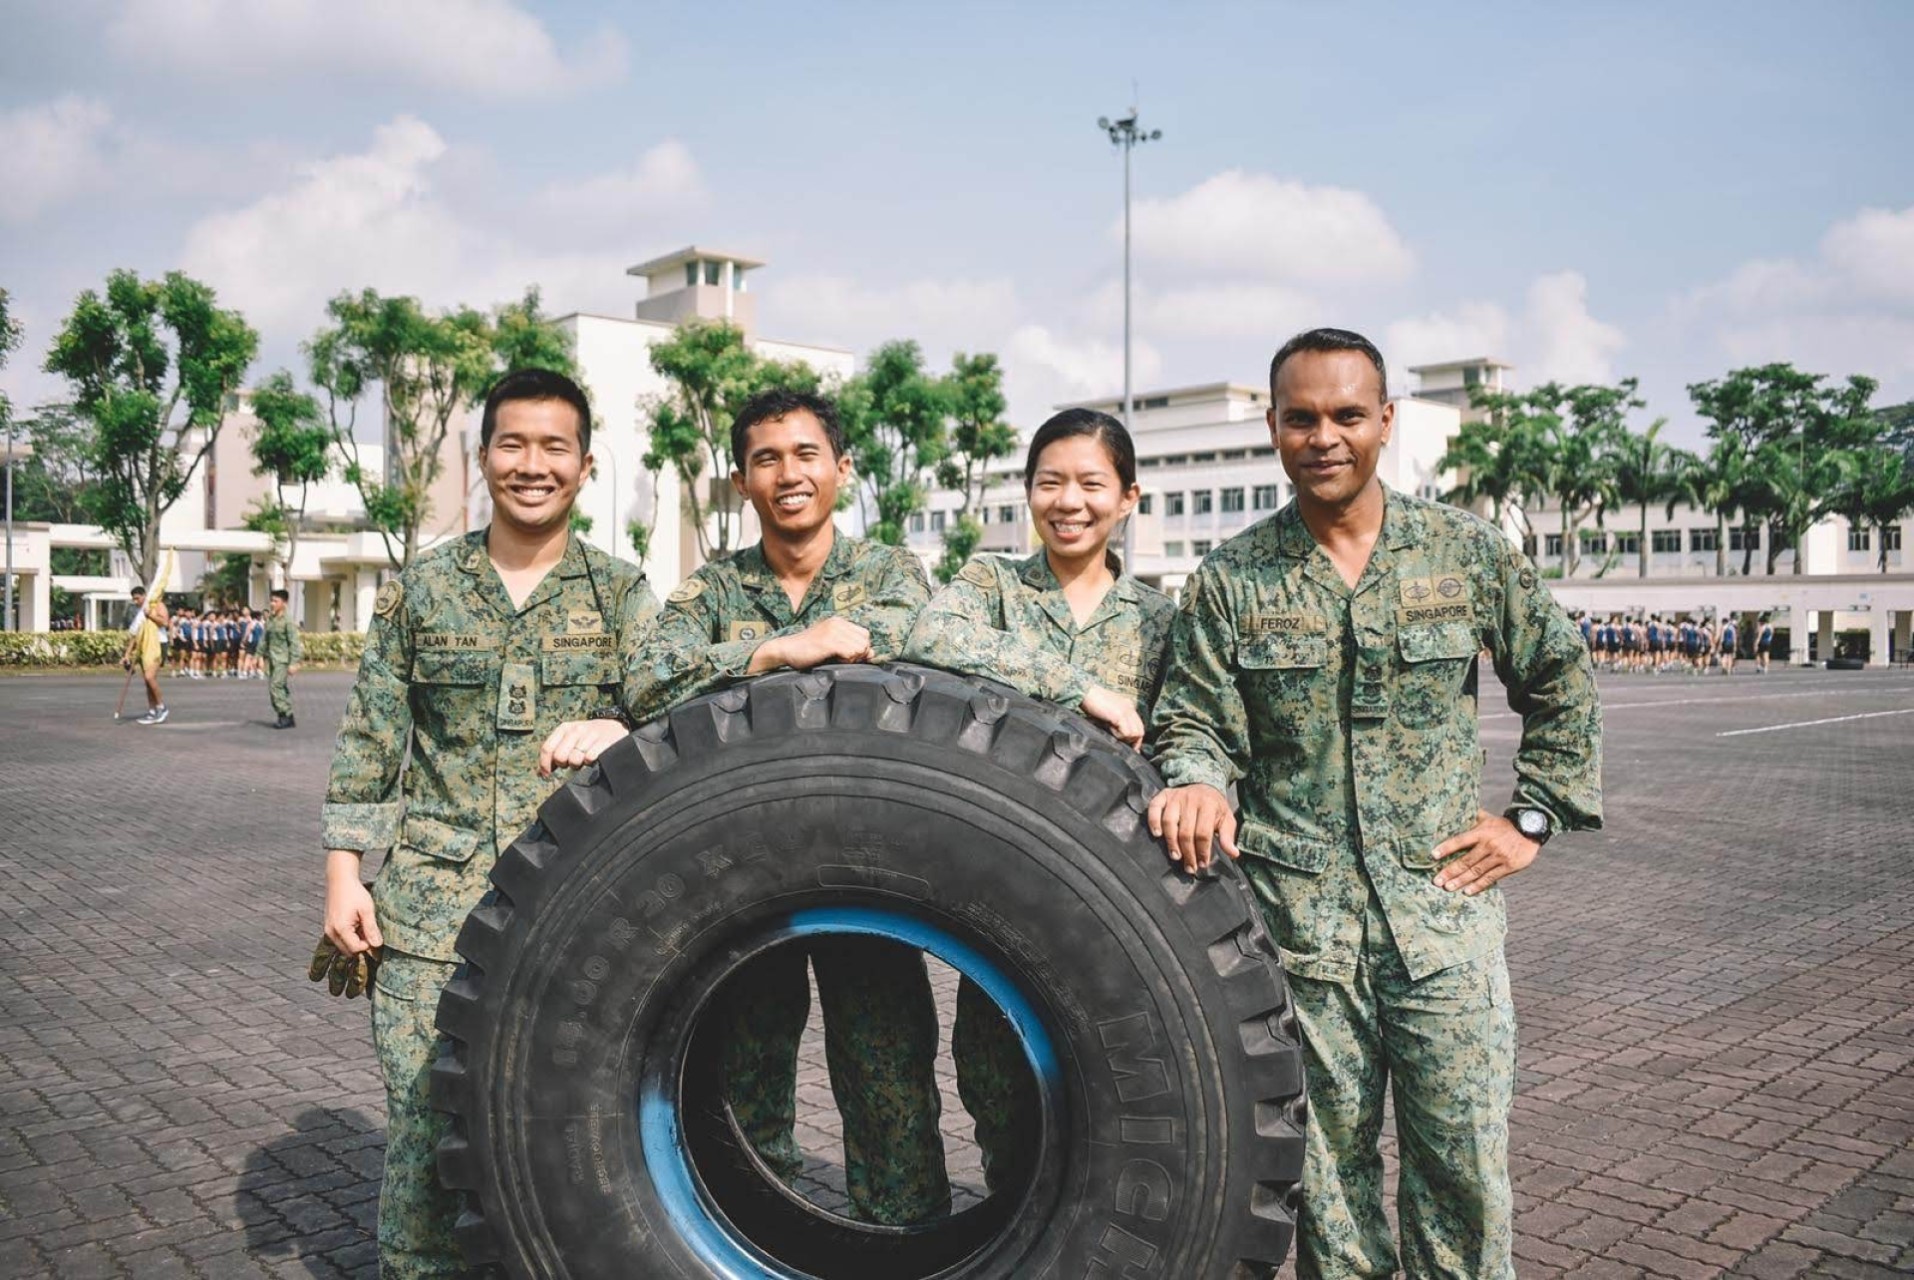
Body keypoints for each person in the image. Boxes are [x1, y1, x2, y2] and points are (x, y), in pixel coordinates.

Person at [1147, 328, 1602, 1280]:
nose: (1325, 437)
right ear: (1274, 428)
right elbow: (1195, 720)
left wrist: (1533, 817)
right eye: (1302, 418)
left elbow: (1560, 677)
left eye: (1347, 415)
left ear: (1386, 421)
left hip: (1443, 921)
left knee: (1463, 1174)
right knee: (1328, 1188)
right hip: (1301, 936)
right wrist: (1196, 778)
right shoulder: (1232, 581)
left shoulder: (1465, 552)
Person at [541, 387, 946, 1226]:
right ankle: (762, 1239)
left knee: (890, 1083)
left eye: (805, 455)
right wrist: (780, 649)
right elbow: (650, 678)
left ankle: (904, 1238)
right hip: (744, 876)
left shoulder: (890, 575)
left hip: (866, 866)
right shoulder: (714, 590)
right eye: (767, 459)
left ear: (841, 468)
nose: (788, 474)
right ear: (740, 481)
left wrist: (741, 670)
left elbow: (900, 644)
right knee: (746, 1081)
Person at [314, 369, 658, 1279]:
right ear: (482, 458)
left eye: (554, 447)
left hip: (572, 915)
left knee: (564, 1140)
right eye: (513, 444)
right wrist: (344, 874)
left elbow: (676, 712)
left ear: (585, 466)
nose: (532, 465)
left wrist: (622, 725)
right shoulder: (423, 589)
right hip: (429, 917)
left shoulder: (621, 596)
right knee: (424, 1135)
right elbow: (371, 737)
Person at [901, 407, 1176, 1193]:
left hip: (1115, 897)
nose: (1070, 502)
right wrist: (1077, 688)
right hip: (1006, 890)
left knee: (1115, 1093)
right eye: (1050, 482)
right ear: (1028, 492)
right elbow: (930, 638)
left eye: (1092, 483)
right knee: (995, 1081)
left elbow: (1187, 730)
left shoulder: (1159, 620)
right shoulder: (993, 587)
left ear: (1128, 498)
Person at [120, 586, 170, 723]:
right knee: (147, 682)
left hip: (158, 644)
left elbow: (165, 622)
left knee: (149, 677)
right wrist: (127, 654)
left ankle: (162, 707)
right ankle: (152, 711)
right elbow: (135, 635)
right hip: (144, 646)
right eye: (134, 599)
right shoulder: (139, 613)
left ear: (144, 595)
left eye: (138, 598)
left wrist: (151, 615)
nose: (136, 602)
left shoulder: (157, 605)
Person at [263, 589, 303, 728]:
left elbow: (294, 643)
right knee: (276, 688)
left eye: (276, 601)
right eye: (271, 600)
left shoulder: (288, 621)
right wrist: (257, 655)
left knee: (276, 686)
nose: (272, 603)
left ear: (284, 603)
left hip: (282, 660)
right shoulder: (271, 619)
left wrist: (294, 663)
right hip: (272, 659)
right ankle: (286, 716)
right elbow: (265, 639)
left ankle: (285, 714)